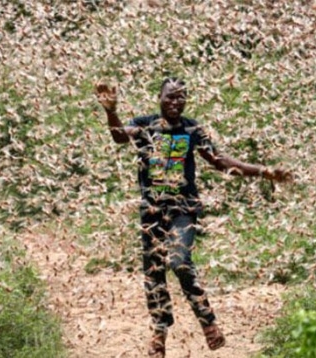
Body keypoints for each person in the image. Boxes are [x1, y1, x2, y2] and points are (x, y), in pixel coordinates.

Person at [95, 78, 292, 357]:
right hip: (151, 210)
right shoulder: (145, 124)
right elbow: (118, 136)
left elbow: (220, 162)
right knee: (154, 273)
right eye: (170, 97)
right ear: (159, 98)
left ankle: (208, 322)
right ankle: (159, 333)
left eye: (180, 98)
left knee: (179, 260)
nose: (175, 102)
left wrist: (262, 171)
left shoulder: (193, 129)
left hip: (183, 208)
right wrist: (110, 111)